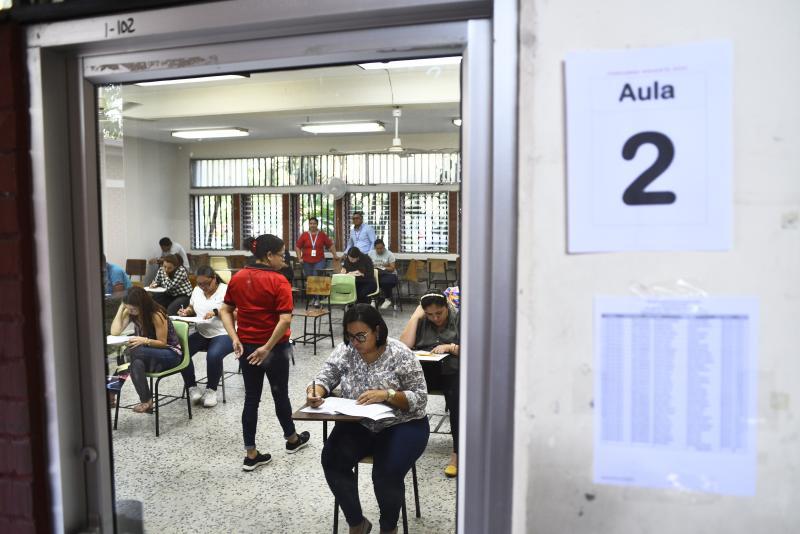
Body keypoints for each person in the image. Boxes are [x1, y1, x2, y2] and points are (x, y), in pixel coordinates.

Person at [307, 304, 429, 534]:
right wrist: (318, 390)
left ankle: (388, 528)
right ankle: (357, 523)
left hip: (403, 423)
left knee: (386, 473)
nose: (355, 342)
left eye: (361, 336)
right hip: (360, 422)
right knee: (332, 460)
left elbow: (421, 398)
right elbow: (327, 374)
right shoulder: (346, 350)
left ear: (377, 331)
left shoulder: (400, 353)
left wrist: (388, 395)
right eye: (350, 336)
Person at [219, 234, 310, 472]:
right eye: (282, 254)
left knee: (251, 399)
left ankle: (251, 454)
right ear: (269, 256)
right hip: (275, 349)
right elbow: (285, 320)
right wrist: (267, 348)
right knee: (281, 395)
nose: (284, 259)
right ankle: (292, 440)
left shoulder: (238, 277)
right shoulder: (279, 281)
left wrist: (235, 339)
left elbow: (225, 310)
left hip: (248, 348)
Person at [399, 291, 460, 478]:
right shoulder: (422, 319)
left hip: (452, 369)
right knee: (400, 393)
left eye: (439, 313)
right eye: (429, 314)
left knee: (457, 399)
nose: (435, 318)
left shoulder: (459, 318)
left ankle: (457, 454)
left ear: (446, 308)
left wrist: (450, 347)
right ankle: (399, 443)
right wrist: (416, 316)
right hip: (427, 369)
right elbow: (404, 346)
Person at [110, 287, 183, 414]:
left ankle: (111, 392)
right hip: (145, 356)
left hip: (170, 355)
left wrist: (145, 341)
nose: (131, 311)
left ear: (142, 305)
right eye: (128, 308)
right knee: (135, 363)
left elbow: (163, 343)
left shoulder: (156, 314)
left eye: (133, 309)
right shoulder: (131, 312)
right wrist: (122, 308)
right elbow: (115, 332)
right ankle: (147, 401)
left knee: (131, 351)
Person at [177, 266, 234, 408]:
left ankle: (211, 390)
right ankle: (192, 387)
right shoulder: (197, 290)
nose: (203, 287)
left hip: (224, 332)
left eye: (206, 284)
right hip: (203, 331)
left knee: (213, 355)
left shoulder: (226, 290)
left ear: (214, 279)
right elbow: (192, 307)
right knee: (180, 351)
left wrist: (216, 312)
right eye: (199, 284)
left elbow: (238, 313)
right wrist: (187, 311)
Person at [295, 216, 338, 307]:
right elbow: (298, 247)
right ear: (309, 225)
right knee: (310, 279)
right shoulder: (304, 235)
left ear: (317, 224)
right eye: (311, 223)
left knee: (316, 278)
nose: (313, 225)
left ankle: (317, 300)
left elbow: (330, 245)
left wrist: (335, 255)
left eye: (314, 223)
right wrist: (299, 258)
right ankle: (314, 298)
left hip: (319, 260)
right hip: (306, 261)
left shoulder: (322, 235)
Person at [368, 239, 398, 310]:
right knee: (370, 281)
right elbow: (368, 266)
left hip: (389, 275)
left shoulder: (389, 254)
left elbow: (392, 268)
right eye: (377, 249)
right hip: (376, 275)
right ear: (374, 248)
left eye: (381, 248)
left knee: (385, 281)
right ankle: (373, 300)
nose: (379, 250)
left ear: (384, 247)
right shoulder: (371, 253)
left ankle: (387, 299)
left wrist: (383, 267)